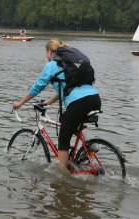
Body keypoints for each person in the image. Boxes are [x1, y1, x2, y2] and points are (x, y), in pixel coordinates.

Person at [13, 38, 101, 169]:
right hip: (94, 98)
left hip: (79, 102)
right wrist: (49, 102)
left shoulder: (52, 65)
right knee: (70, 124)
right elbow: (66, 87)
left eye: (46, 51)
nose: (46, 55)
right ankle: (86, 150)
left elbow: (37, 87)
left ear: (49, 51)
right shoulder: (70, 64)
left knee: (63, 141)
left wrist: (20, 103)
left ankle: (61, 177)